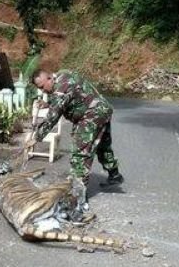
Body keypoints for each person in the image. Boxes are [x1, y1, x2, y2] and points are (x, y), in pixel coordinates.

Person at [30, 69, 124, 212]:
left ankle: (78, 199)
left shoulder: (61, 88)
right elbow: (70, 97)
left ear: (49, 78)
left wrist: (36, 137)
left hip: (91, 115)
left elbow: (53, 116)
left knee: (80, 154)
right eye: (40, 88)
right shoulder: (63, 75)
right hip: (101, 109)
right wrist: (48, 103)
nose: (43, 90)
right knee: (102, 146)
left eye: (43, 87)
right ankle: (115, 175)